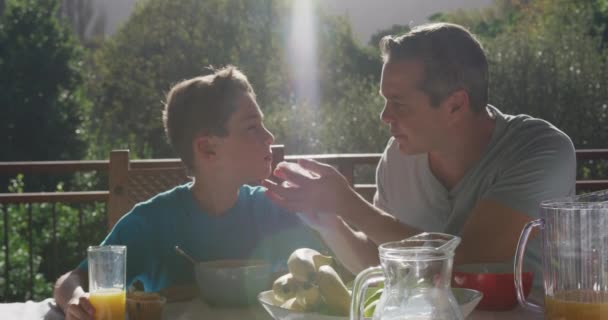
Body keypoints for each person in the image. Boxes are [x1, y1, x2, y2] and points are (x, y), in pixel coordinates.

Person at [264, 23, 576, 278]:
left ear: (455, 105)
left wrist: (350, 204)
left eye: (398, 103)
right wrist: (330, 222)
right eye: (385, 101)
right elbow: (381, 263)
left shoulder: (542, 151)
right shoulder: (398, 157)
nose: (385, 116)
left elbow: (467, 255)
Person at [53, 66, 324, 320]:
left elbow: (334, 271)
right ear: (207, 149)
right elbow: (72, 280)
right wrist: (78, 300)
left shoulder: (272, 209)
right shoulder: (153, 222)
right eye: (252, 127)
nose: (270, 137)